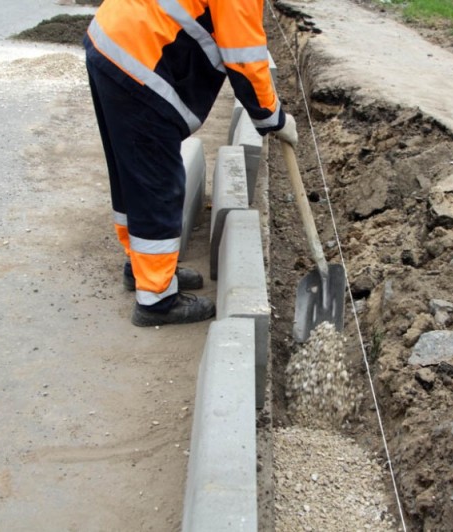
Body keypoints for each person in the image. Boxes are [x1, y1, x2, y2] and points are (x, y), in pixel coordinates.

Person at [83, 0, 298, 327]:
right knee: (157, 184)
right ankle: (156, 299)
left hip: (114, 42)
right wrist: (274, 117)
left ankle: (142, 268)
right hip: (140, 58)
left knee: (131, 175)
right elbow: (244, 58)